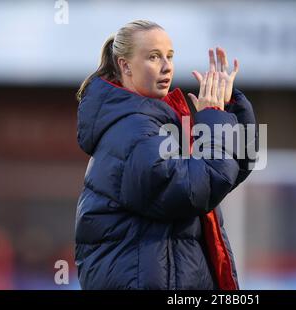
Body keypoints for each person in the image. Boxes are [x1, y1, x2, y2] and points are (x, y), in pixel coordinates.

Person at [75, 20, 257, 290]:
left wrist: (230, 108)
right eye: (153, 57)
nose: (166, 66)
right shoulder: (132, 129)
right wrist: (215, 120)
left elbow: (232, 167)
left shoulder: (155, 122)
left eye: (170, 56)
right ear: (125, 66)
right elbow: (196, 189)